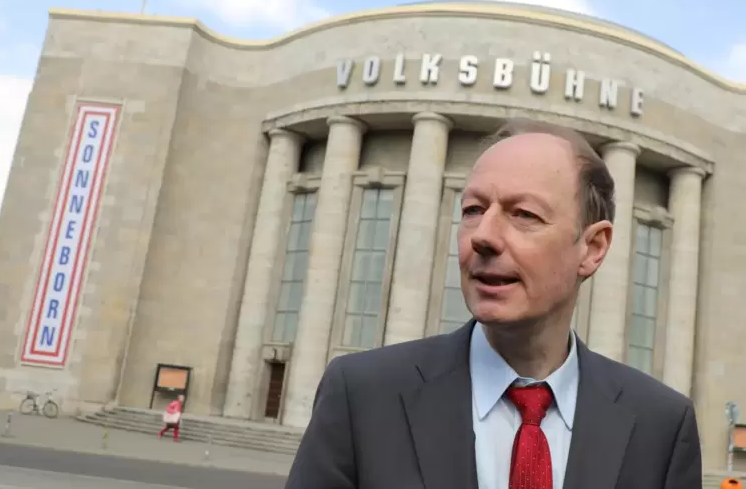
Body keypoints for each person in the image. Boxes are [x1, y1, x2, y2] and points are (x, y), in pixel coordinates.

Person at [284, 118, 702, 489]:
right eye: (472, 209)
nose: (482, 235)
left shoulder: (660, 427)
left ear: (592, 248)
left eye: (523, 214)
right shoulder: (362, 397)